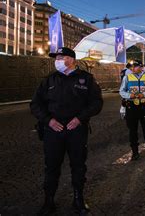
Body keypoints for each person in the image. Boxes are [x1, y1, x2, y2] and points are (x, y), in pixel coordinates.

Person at [30, 47, 103, 215]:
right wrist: (49, 121)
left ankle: (78, 199)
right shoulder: (49, 80)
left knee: (78, 165)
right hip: (53, 131)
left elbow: (96, 103)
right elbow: (35, 104)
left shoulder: (87, 79)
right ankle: (49, 201)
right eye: (57, 58)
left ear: (71, 60)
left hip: (76, 130)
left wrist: (80, 119)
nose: (57, 61)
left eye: (60, 57)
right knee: (51, 166)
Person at [119, 60, 145, 160]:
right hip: (131, 107)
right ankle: (135, 153)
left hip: (144, 107)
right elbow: (121, 91)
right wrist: (130, 95)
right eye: (131, 67)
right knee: (132, 131)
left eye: (135, 66)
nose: (132, 68)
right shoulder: (127, 77)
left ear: (141, 67)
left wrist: (144, 94)